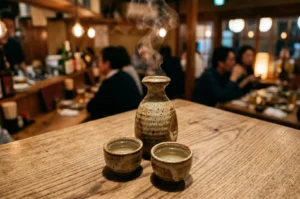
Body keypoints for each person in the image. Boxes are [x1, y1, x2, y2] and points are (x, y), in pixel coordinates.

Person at [87, 46, 142, 120]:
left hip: (124, 123)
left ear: (107, 64)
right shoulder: (125, 75)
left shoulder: (110, 82)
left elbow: (91, 107)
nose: (98, 64)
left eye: (100, 61)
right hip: (134, 119)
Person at [0, 10, 26, 74]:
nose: (8, 30)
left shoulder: (15, 44)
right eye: (5, 26)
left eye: (11, 27)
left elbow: (22, 65)